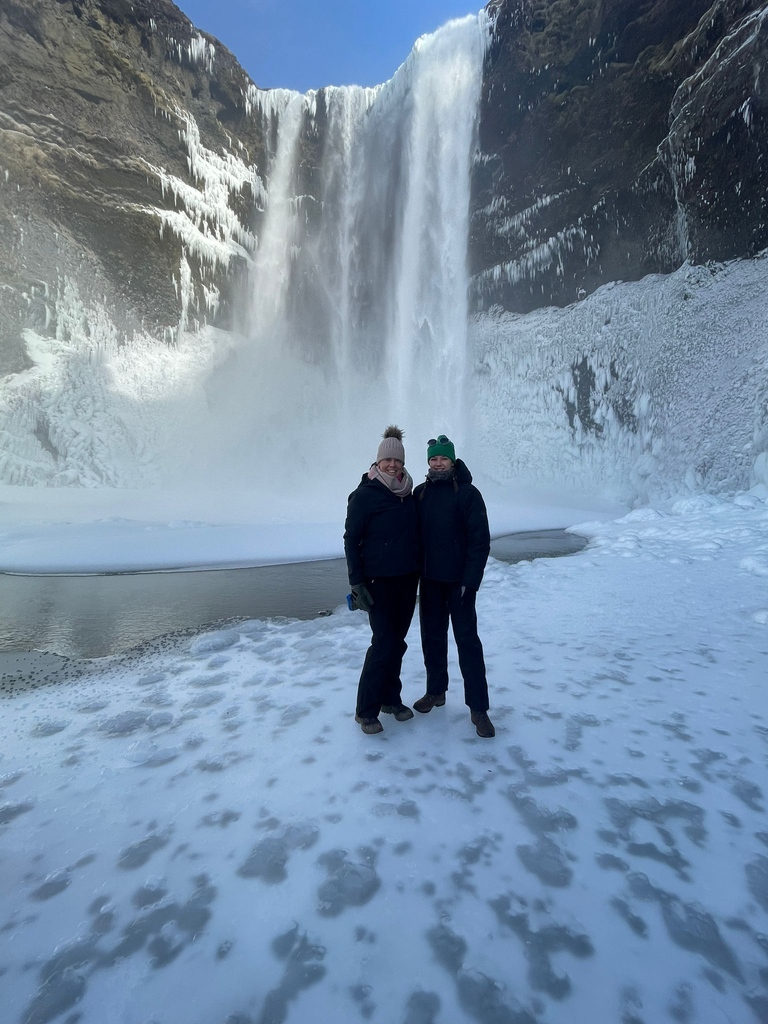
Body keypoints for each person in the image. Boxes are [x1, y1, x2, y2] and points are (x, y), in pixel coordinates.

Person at [413, 434, 495, 737]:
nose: (437, 464)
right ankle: (436, 691)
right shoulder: (420, 494)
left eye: (443, 459)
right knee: (432, 641)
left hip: (459, 585)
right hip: (430, 582)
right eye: (433, 459)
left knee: (468, 645)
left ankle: (479, 708)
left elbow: (479, 541)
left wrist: (470, 581)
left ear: (452, 460)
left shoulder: (469, 494)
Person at [344, 426, 420, 735]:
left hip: (407, 579)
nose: (392, 465)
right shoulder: (364, 495)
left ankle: (391, 698)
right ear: (378, 462)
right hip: (379, 582)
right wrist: (356, 583)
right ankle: (366, 710)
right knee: (383, 643)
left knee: (397, 643)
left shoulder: (407, 494)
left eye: (397, 461)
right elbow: (351, 541)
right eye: (387, 460)